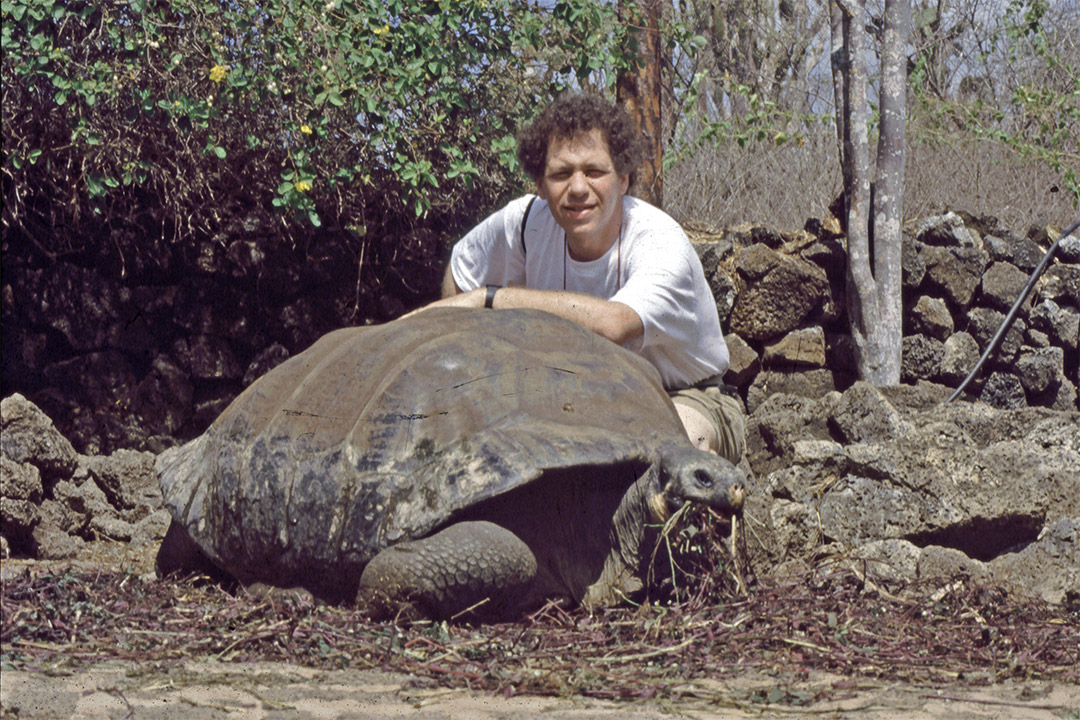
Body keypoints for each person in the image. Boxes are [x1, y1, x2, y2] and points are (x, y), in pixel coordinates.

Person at [414, 93, 744, 464]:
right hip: (574, 395)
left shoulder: (660, 242)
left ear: (623, 179)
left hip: (684, 395)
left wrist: (491, 299)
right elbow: (462, 269)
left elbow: (614, 324)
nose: (577, 188)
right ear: (540, 185)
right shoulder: (525, 223)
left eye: (594, 171)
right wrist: (461, 365)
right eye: (560, 174)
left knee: (669, 454)